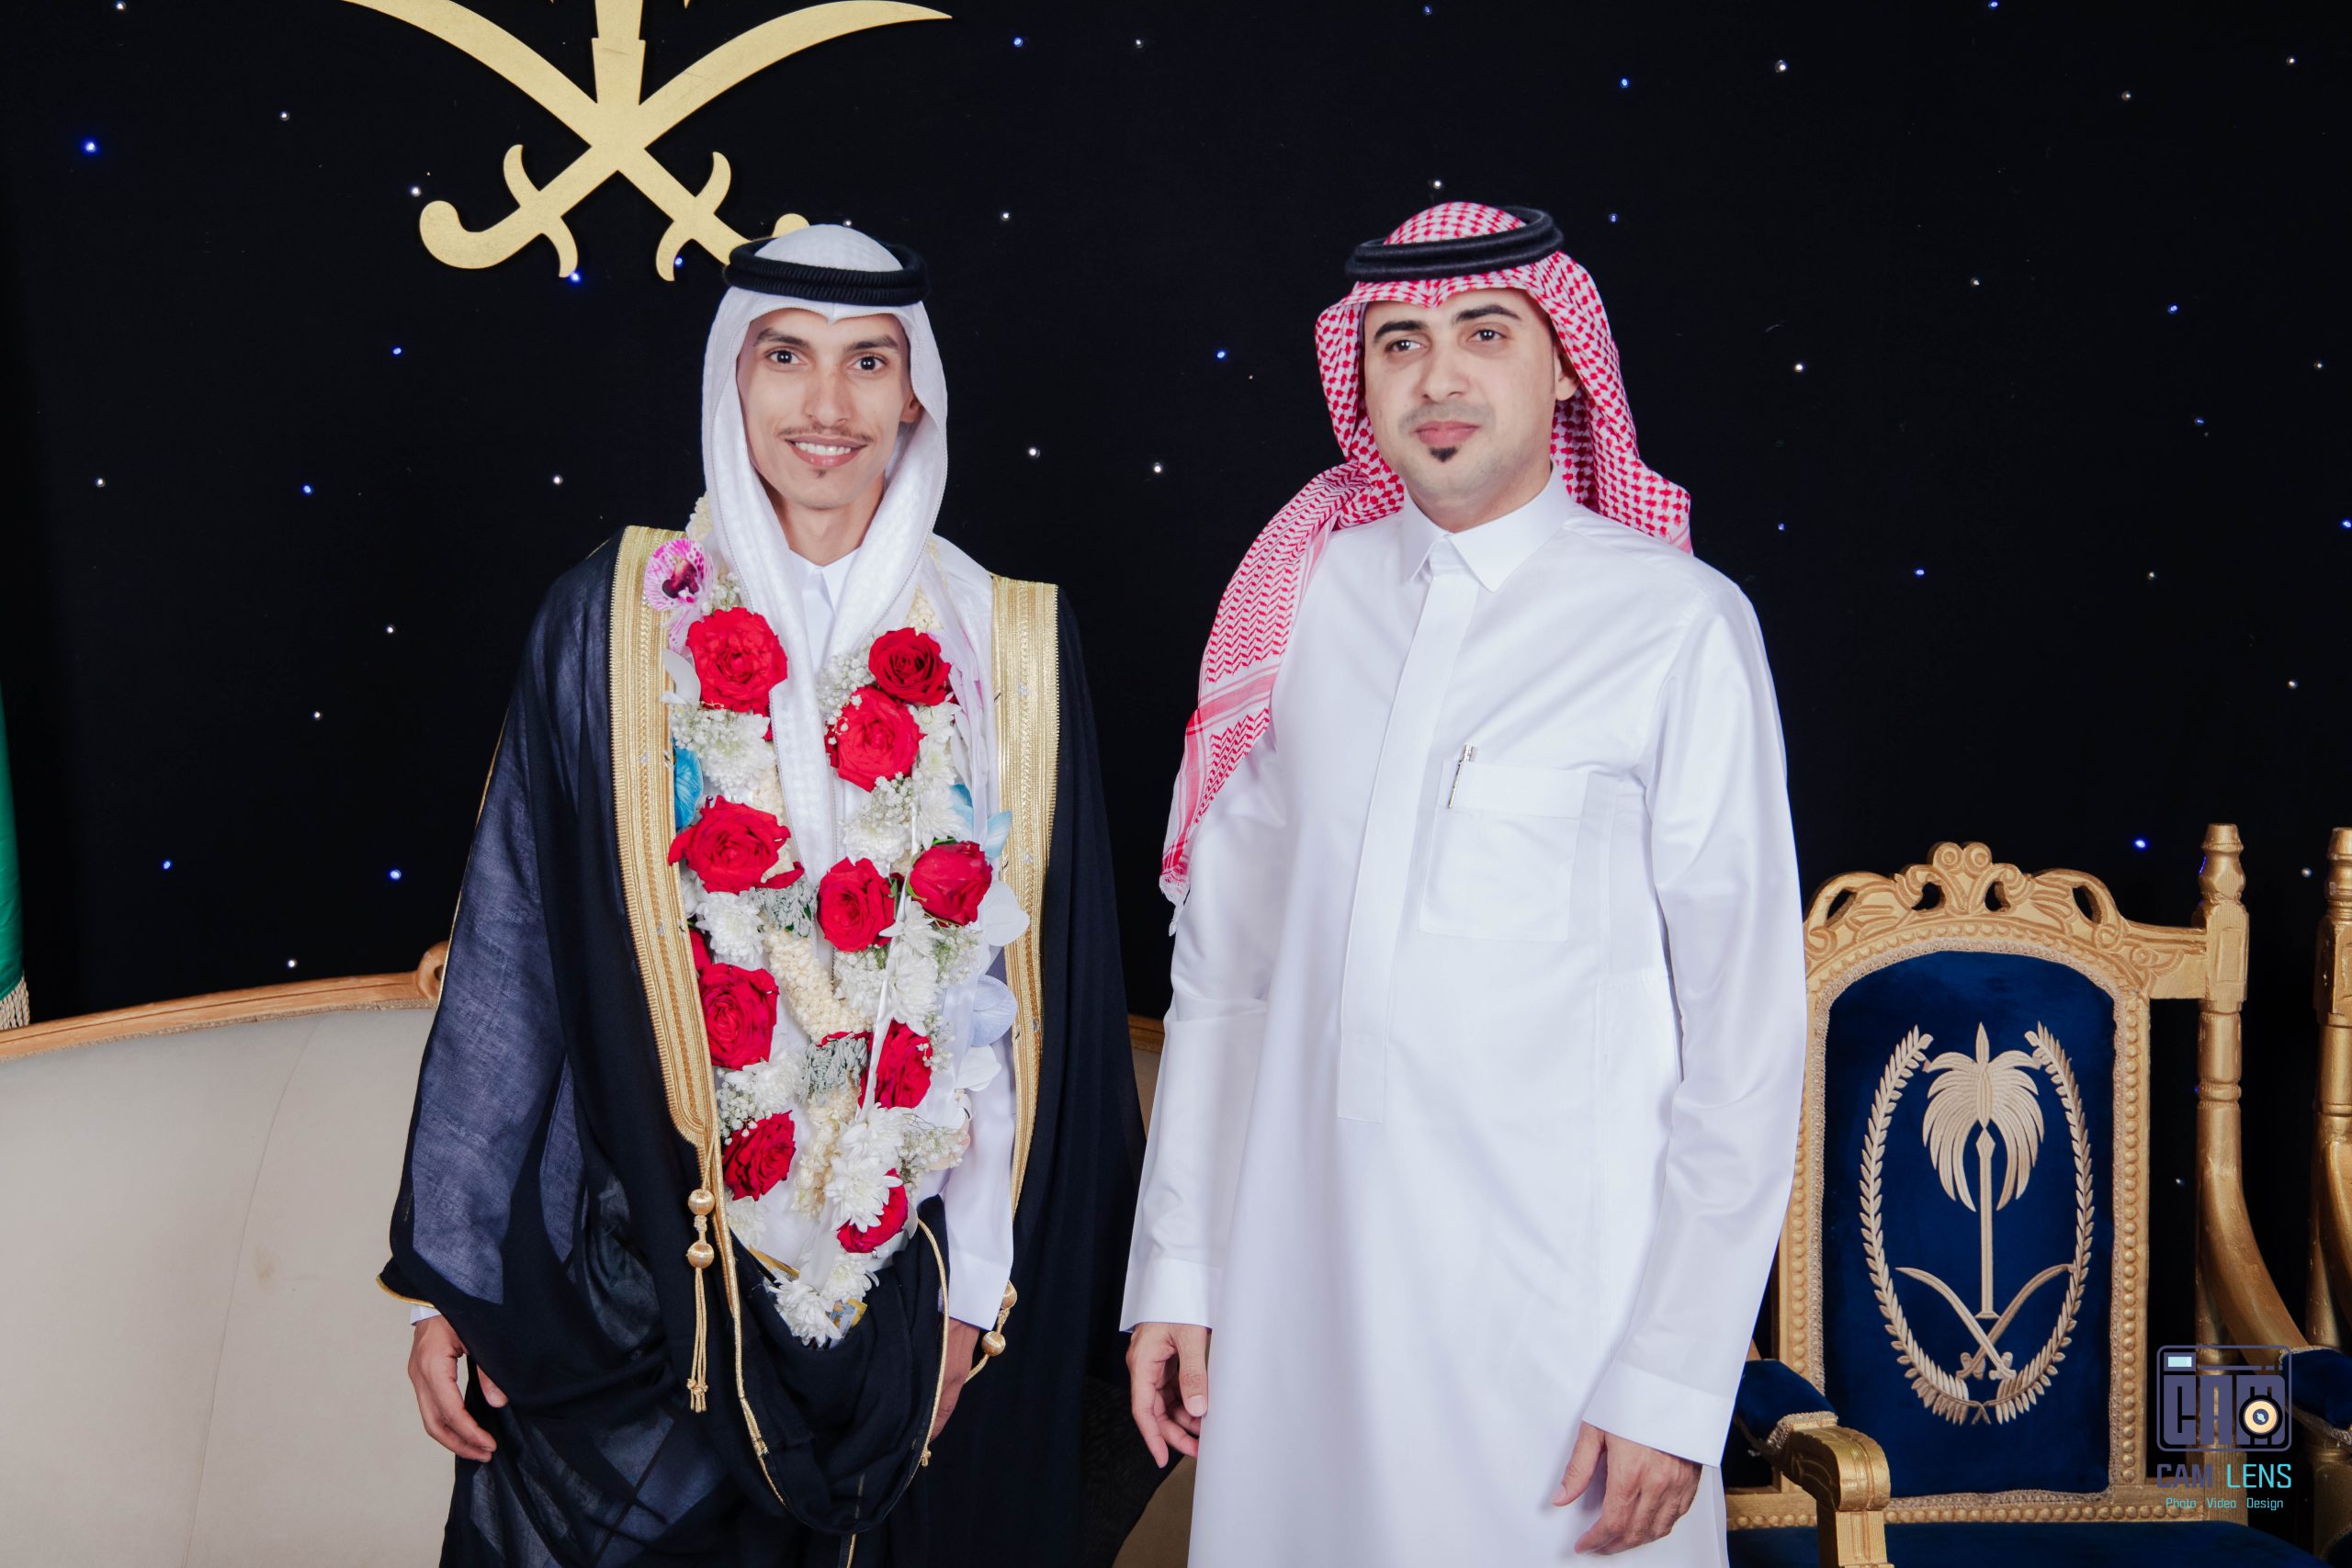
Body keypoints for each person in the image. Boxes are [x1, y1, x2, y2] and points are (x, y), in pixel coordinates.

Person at [386, 224, 1157, 1567]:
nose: (827, 405)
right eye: (787, 357)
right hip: (648, 1264)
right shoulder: (617, 620)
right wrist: (458, 1279)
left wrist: (976, 1288)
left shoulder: (1005, 640)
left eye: (870, 361)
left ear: (916, 395)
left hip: (912, 1277)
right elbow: (519, 954)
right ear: (729, 382)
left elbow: (1021, 1009)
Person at [1124, 202, 1806, 1563]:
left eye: (1484, 334)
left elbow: (1745, 1039)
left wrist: (1675, 1378)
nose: (1437, 377)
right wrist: (1181, 1271)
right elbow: (1227, 981)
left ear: (1565, 370)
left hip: (1561, 1340)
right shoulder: (1300, 600)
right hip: (1301, 1301)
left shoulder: (1676, 623)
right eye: (1399, 342)